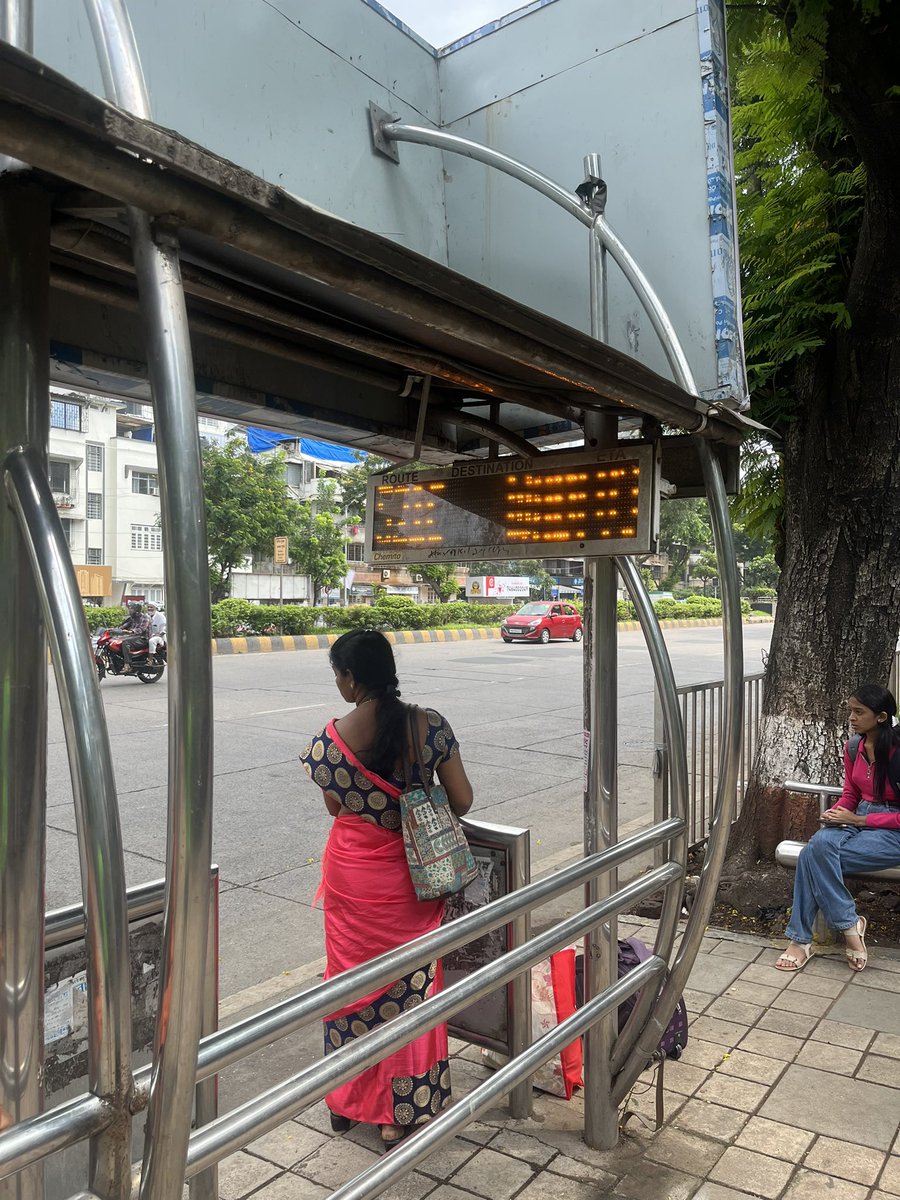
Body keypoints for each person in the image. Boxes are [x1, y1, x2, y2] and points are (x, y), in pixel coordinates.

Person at [299, 629, 473, 1152]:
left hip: (353, 879)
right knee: (412, 986)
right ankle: (402, 1111)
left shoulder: (328, 743)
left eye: (338, 674)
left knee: (349, 985)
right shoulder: (431, 726)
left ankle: (346, 1102)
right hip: (412, 881)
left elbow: (337, 808)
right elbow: (461, 800)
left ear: (352, 678)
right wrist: (417, 798)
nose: (337, 683)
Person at [775, 683, 900, 974]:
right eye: (851, 711)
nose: (852, 718)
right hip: (857, 820)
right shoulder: (854, 746)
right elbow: (851, 794)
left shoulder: (897, 752)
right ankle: (850, 926)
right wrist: (839, 812)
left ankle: (802, 940)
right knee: (819, 848)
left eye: (859, 712)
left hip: (891, 831)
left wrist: (860, 821)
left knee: (811, 856)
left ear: (881, 716)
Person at [120, 602, 150, 670]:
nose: (129, 610)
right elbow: (125, 625)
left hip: (143, 639)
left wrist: (131, 631)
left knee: (125, 642)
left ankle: (127, 664)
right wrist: (114, 629)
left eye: (131, 609)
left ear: (136, 610)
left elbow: (142, 629)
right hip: (134, 638)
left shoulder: (145, 617)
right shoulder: (132, 618)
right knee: (117, 641)